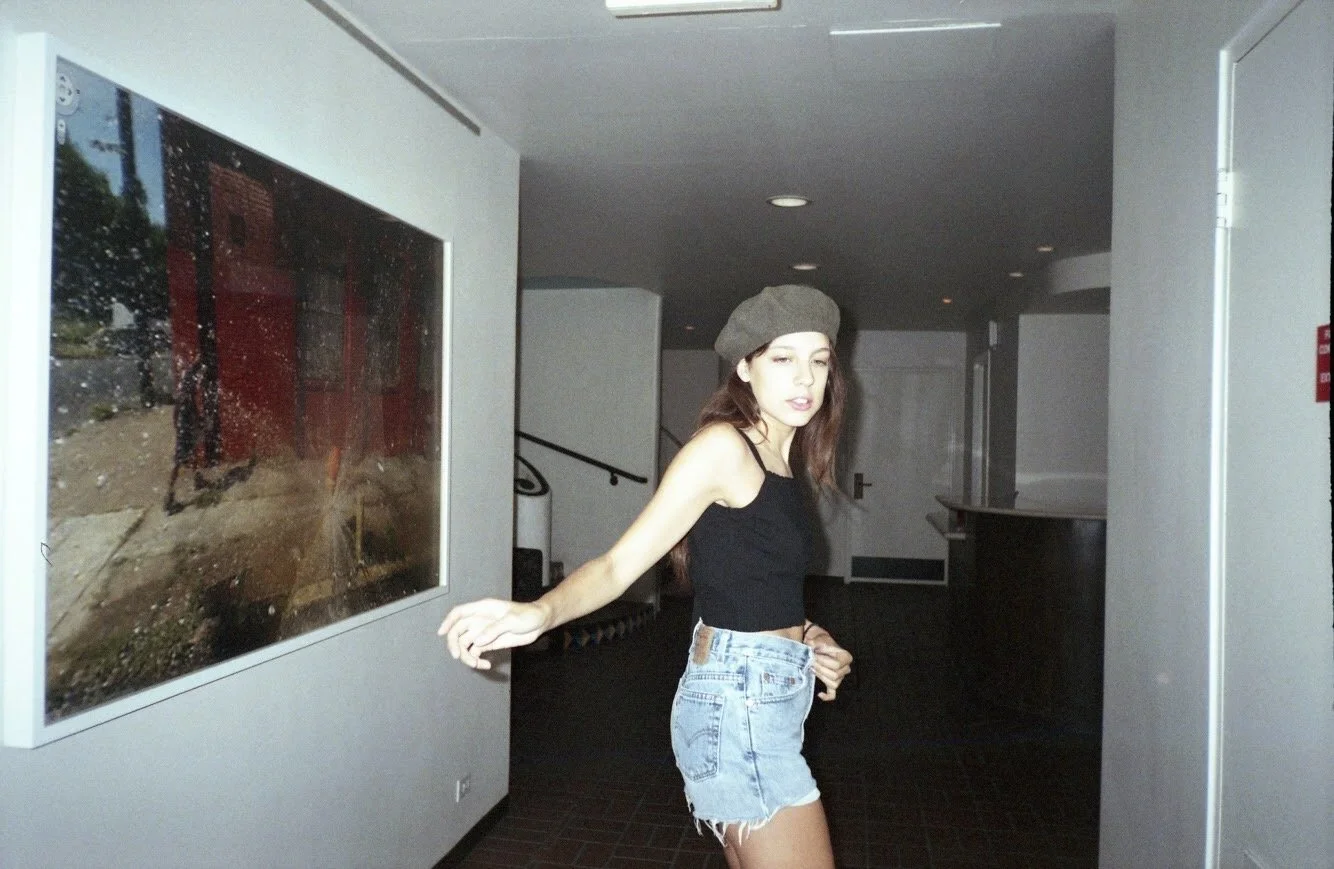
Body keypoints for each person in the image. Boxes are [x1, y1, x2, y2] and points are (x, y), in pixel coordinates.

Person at [439, 284, 854, 869]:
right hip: (742, 709)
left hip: (762, 696)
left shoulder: (781, 461)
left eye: (819, 360)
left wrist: (809, 637)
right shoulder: (725, 449)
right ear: (745, 367)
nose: (805, 378)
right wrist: (539, 612)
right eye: (783, 358)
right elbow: (617, 565)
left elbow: (750, 583)